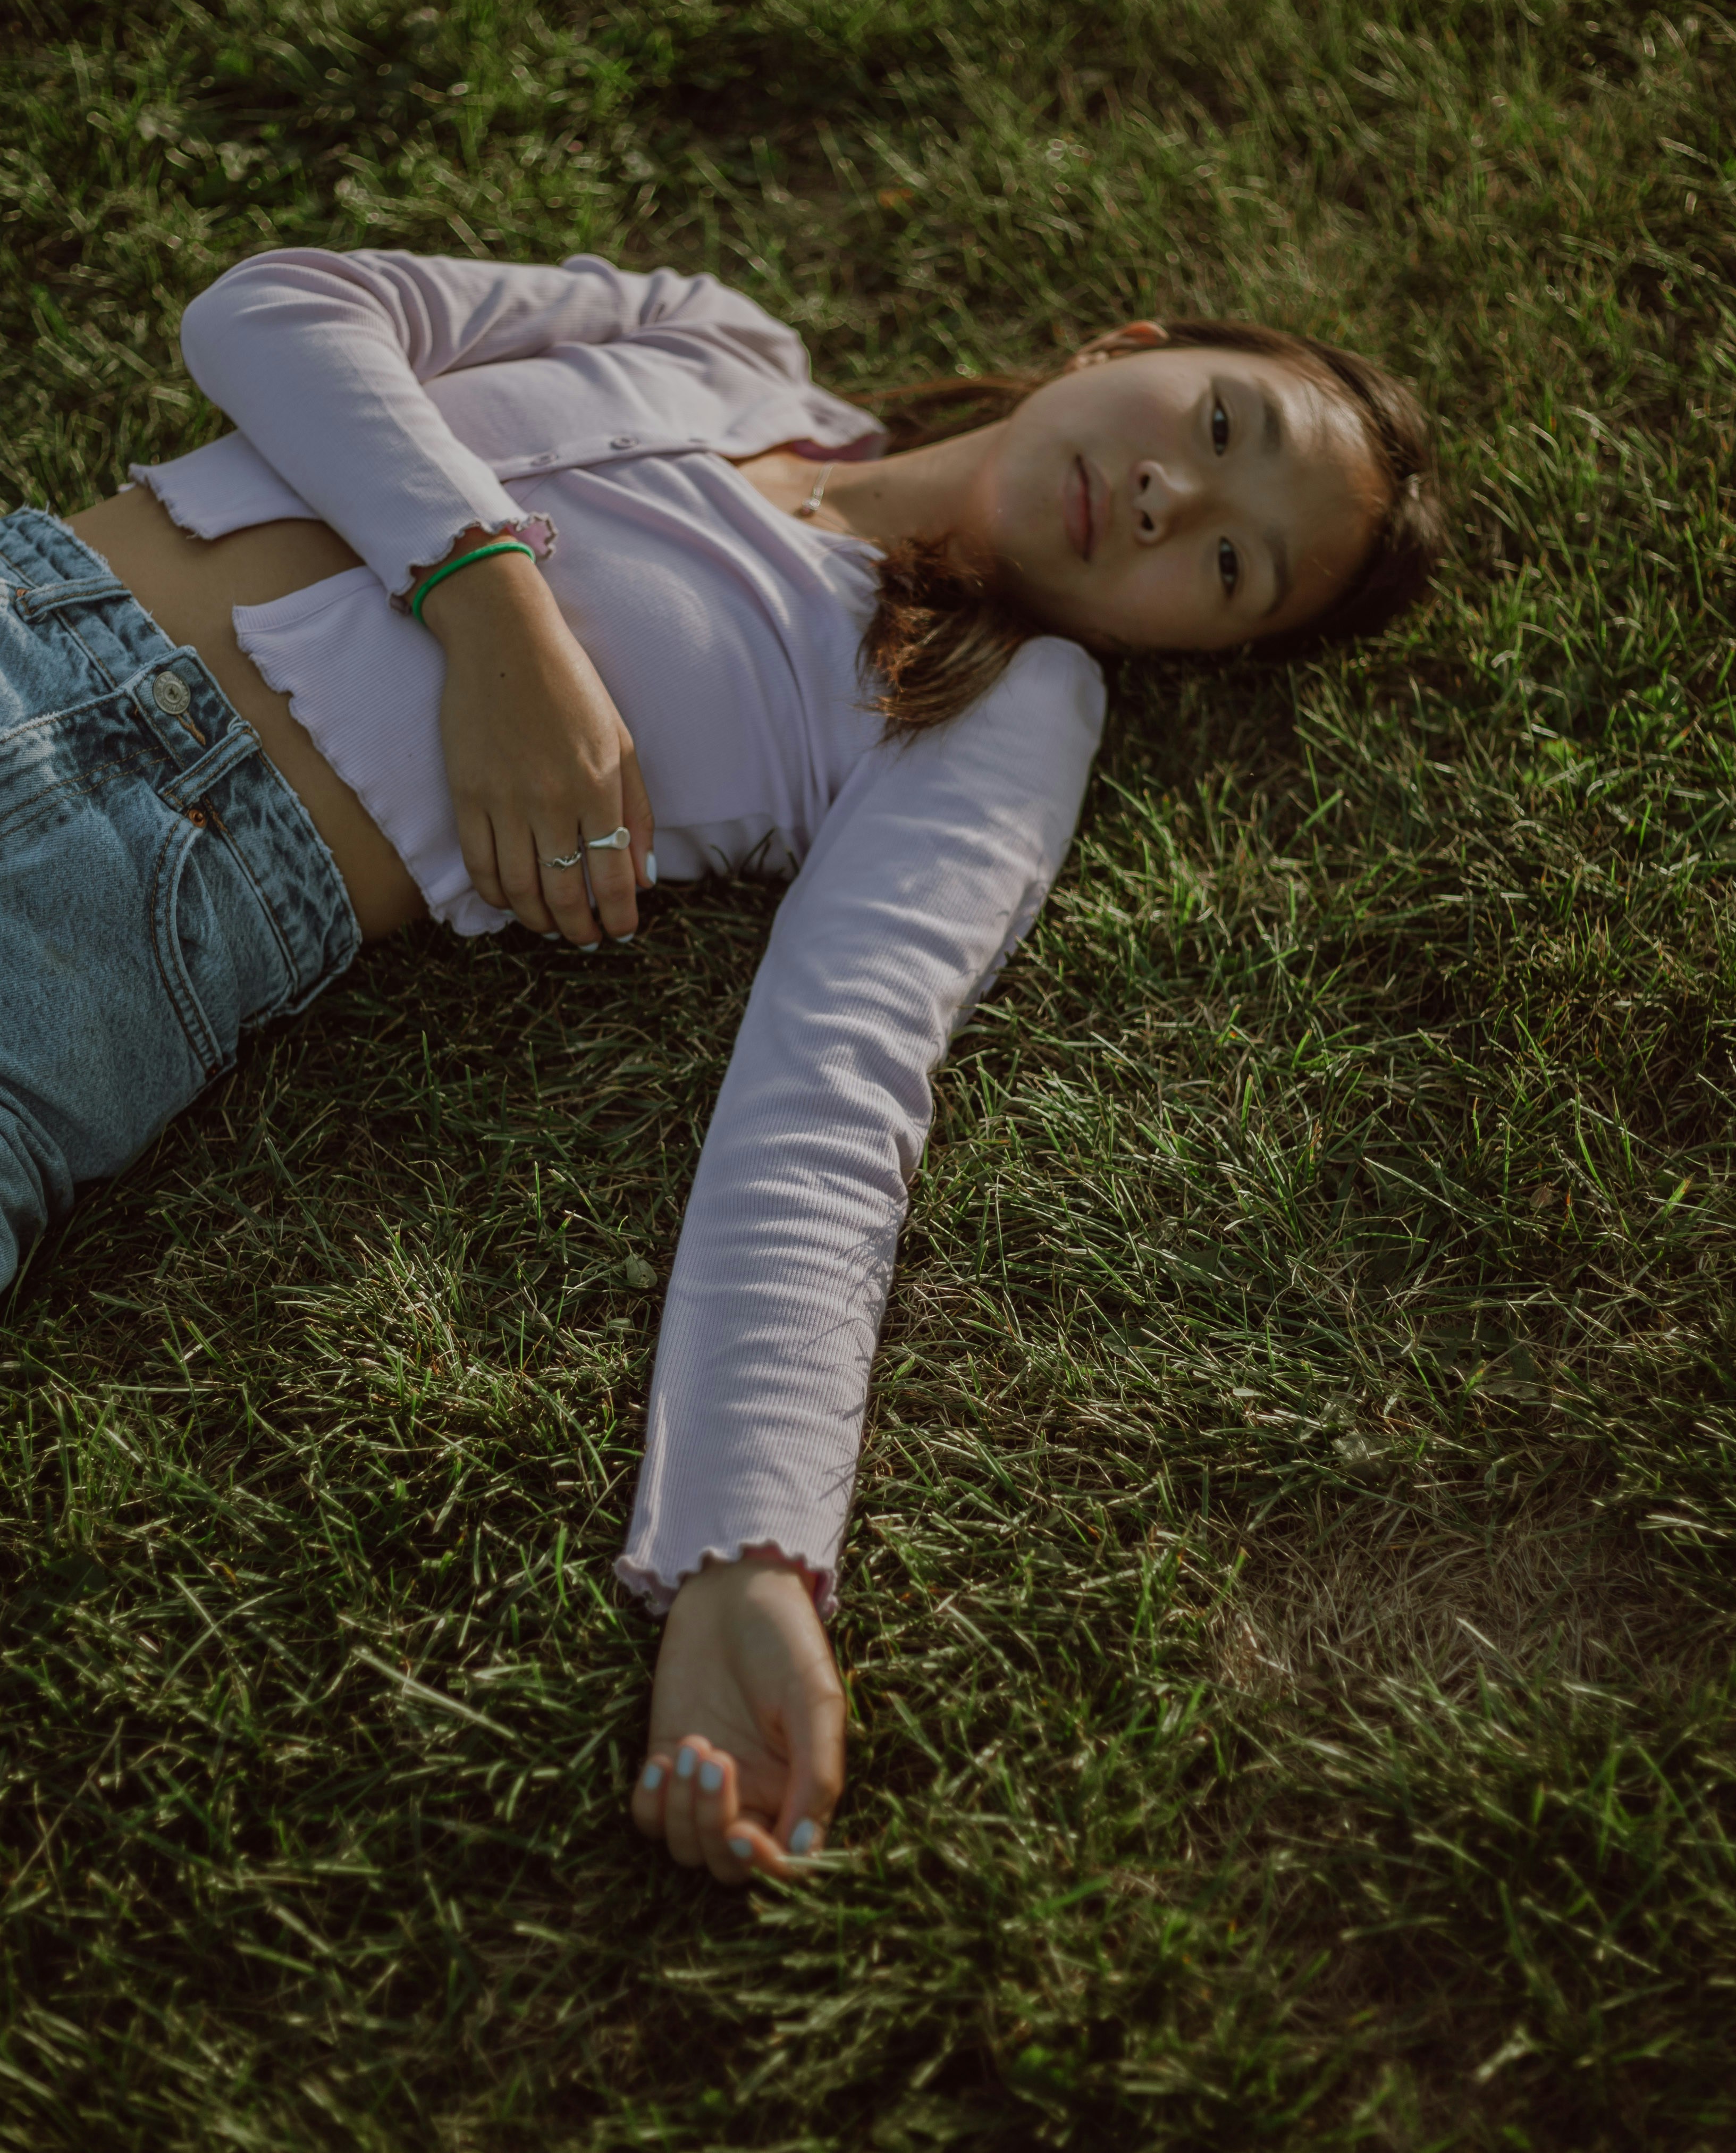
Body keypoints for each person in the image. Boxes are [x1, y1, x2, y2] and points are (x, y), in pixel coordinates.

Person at [0, 248, 1442, 1883]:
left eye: (1237, 565)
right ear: (1131, 344)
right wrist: (490, 607)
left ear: (1194, 646)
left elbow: (836, 1087)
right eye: (1221, 421)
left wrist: (748, 1556)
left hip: (128, 916)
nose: (1176, 496)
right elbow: (269, 315)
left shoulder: (990, 713)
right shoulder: (717, 338)